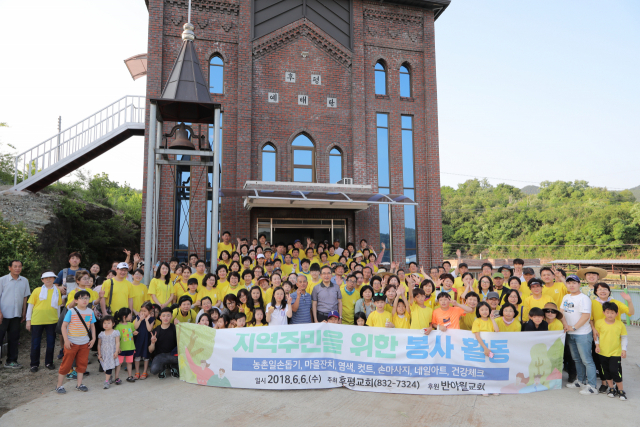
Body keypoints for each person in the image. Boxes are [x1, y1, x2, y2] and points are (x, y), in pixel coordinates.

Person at [561, 274, 598, 395]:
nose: (571, 285)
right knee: (576, 359)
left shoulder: (584, 298)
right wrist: (566, 325)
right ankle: (580, 380)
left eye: (574, 283)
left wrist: (574, 327)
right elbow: (562, 312)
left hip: (582, 333)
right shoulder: (566, 297)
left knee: (586, 360)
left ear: (579, 284)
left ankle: (592, 386)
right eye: (569, 283)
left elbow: (586, 316)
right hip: (570, 333)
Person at [55, 290, 96, 394]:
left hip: (85, 343)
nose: (85, 300)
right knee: (66, 364)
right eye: (82, 298)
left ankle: (79, 384)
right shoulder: (72, 311)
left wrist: (93, 339)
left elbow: (92, 326)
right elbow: (63, 326)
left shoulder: (90, 311)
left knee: (82, 364)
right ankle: (59, 386)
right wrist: (66, 340)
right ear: (76, 300)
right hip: (72, 342)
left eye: (87, 298)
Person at [26, 271, 64, 372]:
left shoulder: (57, 291)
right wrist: (28, 320)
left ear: (54, 279)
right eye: (46, 278)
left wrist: (59, 321)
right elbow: (30, 306)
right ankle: (34, 364)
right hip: (37, 321)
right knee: (35, 343)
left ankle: (49, 362)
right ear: (42, 280)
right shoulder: (37, 290)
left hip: (52, 321)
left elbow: (58, 308)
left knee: (51, 343)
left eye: (51, 278)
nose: (48, 279)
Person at [0, 260, 31, 368]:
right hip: (3, 315)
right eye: (15, 266)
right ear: (10, 268)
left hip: (16, 315)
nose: (17, 268)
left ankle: (11, 361)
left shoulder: (24, 281)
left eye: (19, 266)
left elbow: (25, 297)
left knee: (14, 338)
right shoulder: (2, 280)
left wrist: (24, 312)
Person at [594, 302, 628, 400]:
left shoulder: (620, 324)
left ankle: (621, 390)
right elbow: (597, 336)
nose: (610, 314)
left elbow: (624, 337)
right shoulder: (599, 322)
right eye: (607, 312)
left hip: (615, 352)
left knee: (615, 371)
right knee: (606, 372)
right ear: (603, 312)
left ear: (617, 314)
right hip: (602, 352)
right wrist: (597, 345)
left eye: (612, 313)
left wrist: (624, 349)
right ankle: (611, 389)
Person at [149, 307, 179, 378]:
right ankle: (163, 367)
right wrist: (153, 343)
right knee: (153, 370)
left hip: (173, 355)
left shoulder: (175, 328)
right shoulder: (156, 331)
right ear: (160, 317)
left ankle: (173, 366)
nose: (166, 318)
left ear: (171, 317)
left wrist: (179, 325)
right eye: (164, 316)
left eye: (168, 315)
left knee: (186, 360)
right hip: (160, 356)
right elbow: (150, 350)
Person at [114, 307, 136, 384]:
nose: (131, 316)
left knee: (129, 362)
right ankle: (116, 377)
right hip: (121, 348)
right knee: (119, 363)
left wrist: (134, 333)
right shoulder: (118, 326)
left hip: (130, 347)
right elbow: (116, 339)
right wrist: (118, 348)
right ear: (124, 316)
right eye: (130, 315)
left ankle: (130, 376)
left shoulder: (131, 324)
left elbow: (132, 331)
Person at [97, 315, 119, 389]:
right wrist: (99, 354)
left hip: (111, 353)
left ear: (113, 324)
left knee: (109, 368)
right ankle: (109, 377)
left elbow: (117, 342)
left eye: (108, 323)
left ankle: (106, 381)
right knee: (105, 367)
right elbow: (99, 344)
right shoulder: (101, 334)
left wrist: (116, 351)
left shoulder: (115, 332)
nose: (106, 325)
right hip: (104, 353)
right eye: (104, 323)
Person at [133, 303, 154, 380]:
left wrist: (146, 320)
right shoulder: (138, 317)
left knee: (146, 355)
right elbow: (135, 327)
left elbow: (149, 329)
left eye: (145, 311)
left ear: (150, 311)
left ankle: (145, 372)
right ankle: (137, 372)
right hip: (138, 338)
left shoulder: (151, 319)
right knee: (137, 355)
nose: (143, 312)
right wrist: (140, 319)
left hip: (146, 339)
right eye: (142, 310)